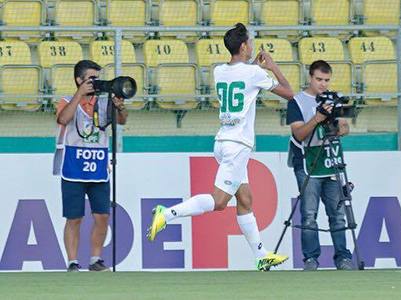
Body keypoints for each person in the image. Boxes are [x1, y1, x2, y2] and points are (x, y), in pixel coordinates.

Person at [147, 23, 294, 271]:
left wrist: (255, 69)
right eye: (250, 42)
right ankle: (167, 213)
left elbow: (243, 80)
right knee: (219, 202)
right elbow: (290, 93)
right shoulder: (254, 74)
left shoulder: (219, 71)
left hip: (224, 141)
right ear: (245, 46)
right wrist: (271, 66)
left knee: (245, 199)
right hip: (237, 145)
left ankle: (260, 255)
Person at [53, 60, 128, 272]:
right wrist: (79, 95)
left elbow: (121, 121)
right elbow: (63, 118)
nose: (95, 83)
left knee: (102, 215)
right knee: (74, 217)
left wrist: (120, 106)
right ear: (79, 80)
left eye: (97, 78)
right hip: (74, 168)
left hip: (98, 167)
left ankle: (96, 259)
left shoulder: (103, 102)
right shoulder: (67, 100)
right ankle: (72, 261)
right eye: (91, 79)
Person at [286, 60, 353, 271]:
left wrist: (332, 119)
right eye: (319, 80)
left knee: (337, 213)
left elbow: (344, 129)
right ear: (310, 78)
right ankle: (311, 259)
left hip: (330, 161)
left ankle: (343, 257)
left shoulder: (333, 99)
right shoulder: (296, 102)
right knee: (309, 214)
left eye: (326, 80)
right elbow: (299, 133)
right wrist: (317, 117)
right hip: (307, 163)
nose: (323, 84)